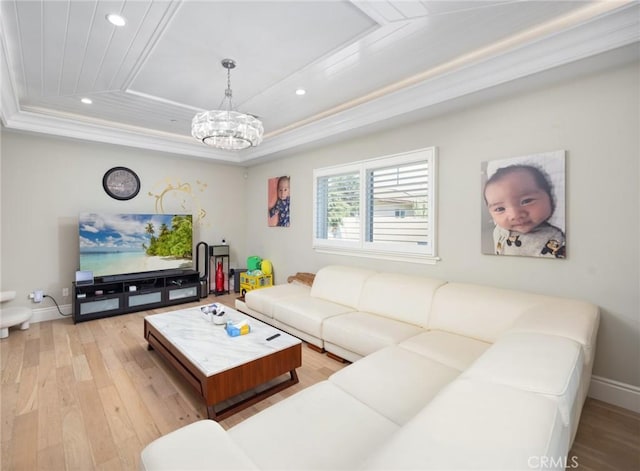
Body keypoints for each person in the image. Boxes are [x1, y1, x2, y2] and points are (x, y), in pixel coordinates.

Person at [483, 164, 565, 258]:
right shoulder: (499, 230)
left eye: (526, 201)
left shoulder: (554, 240)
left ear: (550, 197)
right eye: (500, 209)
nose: (515, 215)